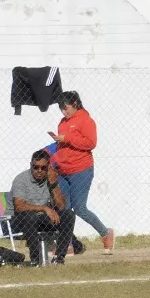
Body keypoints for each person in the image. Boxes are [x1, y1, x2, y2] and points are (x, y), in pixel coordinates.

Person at [49, 91, 114, 254]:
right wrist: (54, 161)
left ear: (75, 104)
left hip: (81, 170)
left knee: (79, 208)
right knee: (63, 208)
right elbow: (62, 147)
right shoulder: (62, 122)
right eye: (61, 109)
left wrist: (67, 139)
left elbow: (90, 143)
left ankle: (106, 233)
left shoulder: (86, 120)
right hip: (62, 171)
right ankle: (67, 244)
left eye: (66, 108)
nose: (64, 112)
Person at [10, 148, 75, 264]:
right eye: (36, 167)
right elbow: (19, 206)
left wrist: (53, 184)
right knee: (30, 216)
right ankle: (36, 260)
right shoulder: (20, 179)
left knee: (68, 214)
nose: (39, 171)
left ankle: (59, 259)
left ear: (48, 167)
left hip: (42, 219)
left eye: (43, 168)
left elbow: (61, 206)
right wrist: (44, 208)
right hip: (20, 221)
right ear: (31, 165)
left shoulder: (50, 179)